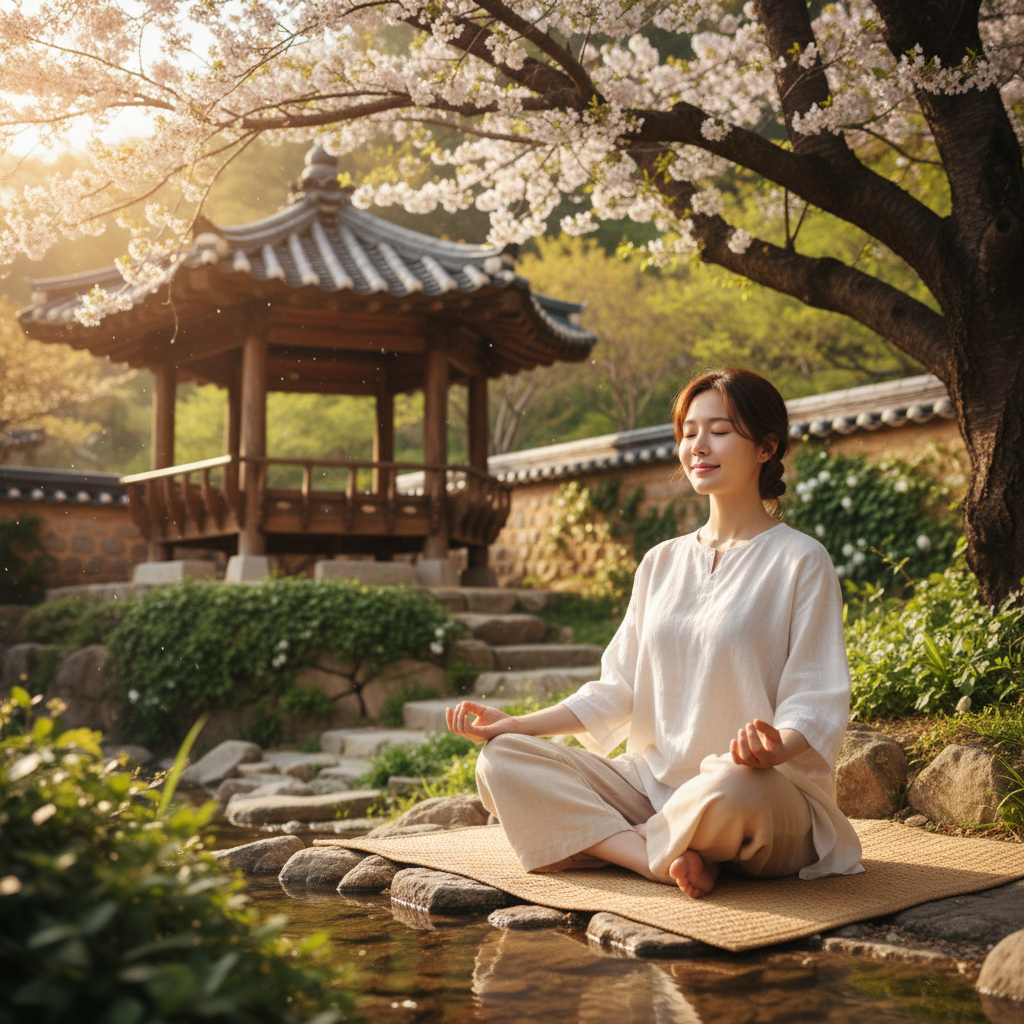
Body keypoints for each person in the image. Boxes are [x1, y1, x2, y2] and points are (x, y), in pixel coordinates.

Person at [447, 368, 863, 897]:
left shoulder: (801, 560)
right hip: (649, 786)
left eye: (720, 430)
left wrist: (776, 748)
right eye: (689, 432)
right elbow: (616, 689)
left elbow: (816, 694)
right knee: (502, 759)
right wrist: (517, 724)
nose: (698, 446)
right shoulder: (660, 562)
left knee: (732, 786)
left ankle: (625, 844)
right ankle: (651, 858)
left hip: (757, 794)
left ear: (765, 447)